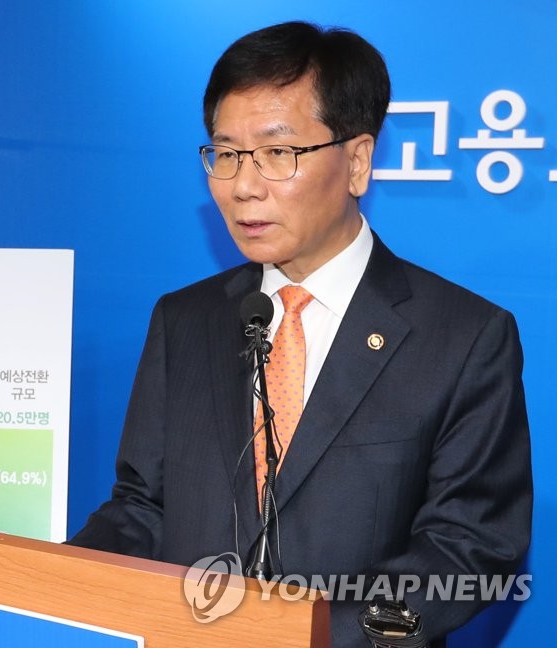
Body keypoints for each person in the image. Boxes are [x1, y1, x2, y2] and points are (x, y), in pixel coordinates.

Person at [67, 21, 532, 647]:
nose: (243, 185)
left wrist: (303, 635)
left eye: (277, 153)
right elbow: (142, 508)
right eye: (226, 154)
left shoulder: (463, 336)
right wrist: (45, 586)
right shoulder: (185, 319)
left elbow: (469, 548)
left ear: (357, 162)